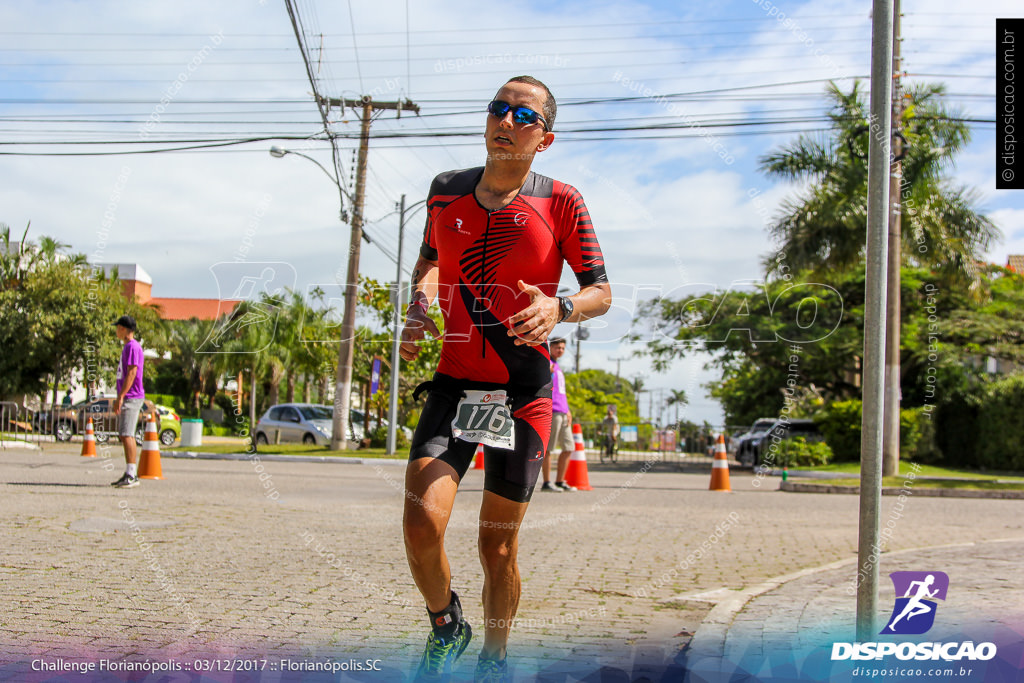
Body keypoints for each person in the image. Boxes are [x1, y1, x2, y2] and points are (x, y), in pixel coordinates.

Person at [399, 75, 611, 682]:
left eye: (524, 115)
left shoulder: (562, 201)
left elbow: (602, 290)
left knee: (497, 547)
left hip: (522, 393)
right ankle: (447, 625)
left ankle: (494, 660)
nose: (508, 121)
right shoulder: (444, 192)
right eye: (499, 108)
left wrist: (560, 307)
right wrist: (420, 306)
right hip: (456, 381)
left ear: (544, 139)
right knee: (420, 521)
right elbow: (431, 265)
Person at [111, 315, 145, 488]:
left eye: (118, 327)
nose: (116, 330)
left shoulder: (132, 347)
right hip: (129, 395)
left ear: (124, 329)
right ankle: (129, 472)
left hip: (132, 396)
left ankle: (132, 474)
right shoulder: (128, 347)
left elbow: (132, 373)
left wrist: (121, 396)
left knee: (127, 434)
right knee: (124, 434)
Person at [541, 337, 575, 492]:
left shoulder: (558, 367)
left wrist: (568, 410)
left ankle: (560, 480)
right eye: (557, 348)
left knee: (569, 446)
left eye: (562, 348)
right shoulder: (545, 363)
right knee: (548, 448)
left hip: (563, 410)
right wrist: (544, 372)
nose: (560, 350)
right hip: (552, 410)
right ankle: (547, 482)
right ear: (550, 348)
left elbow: (562, 391)